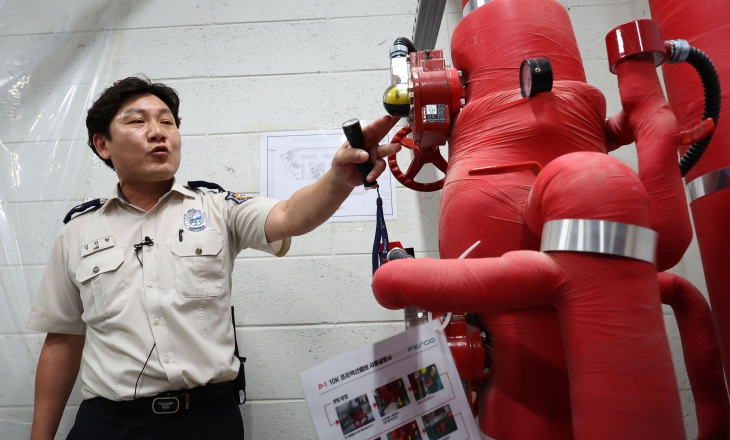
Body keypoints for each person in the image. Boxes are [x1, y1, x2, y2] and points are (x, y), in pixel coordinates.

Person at [26, 76, 400, 439]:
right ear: (102, 145)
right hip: (110, 422)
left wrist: (337, 179)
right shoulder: (77, 231)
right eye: (137, 121)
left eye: (167, 122)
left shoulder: (217, 207)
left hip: (206, 419)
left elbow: (289, 216)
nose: (158, 132)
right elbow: (62, 340)